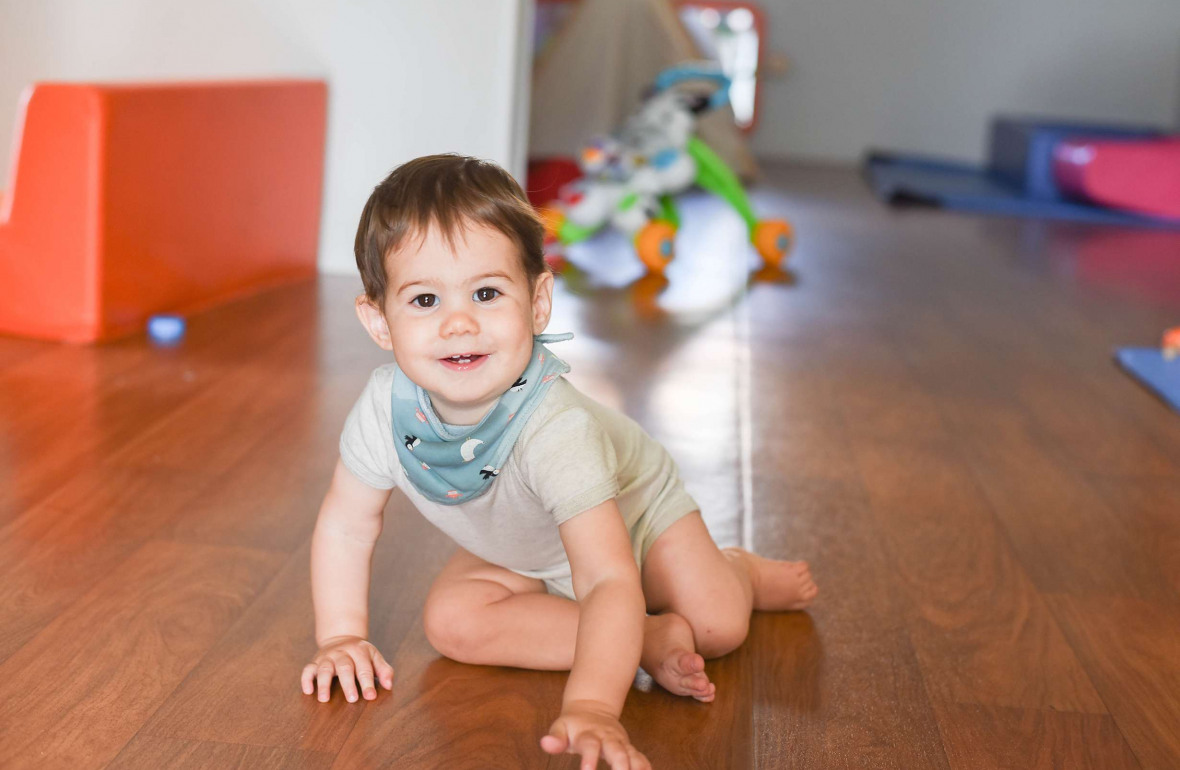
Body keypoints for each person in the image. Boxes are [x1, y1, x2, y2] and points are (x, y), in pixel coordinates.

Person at [300, 154, 818, 769]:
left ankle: (742, 572)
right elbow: (345, 525)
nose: (459, 323)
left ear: (538, 302)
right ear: (377, 320)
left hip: (635, 524)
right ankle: (640, 639)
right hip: (527, 545)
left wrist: (595, 706)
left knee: (716, 624)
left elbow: (606, 577)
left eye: (487, 293)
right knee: (452, 624)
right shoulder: (384, 412)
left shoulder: (556, 429)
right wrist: (340, 636)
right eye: (424, 300)